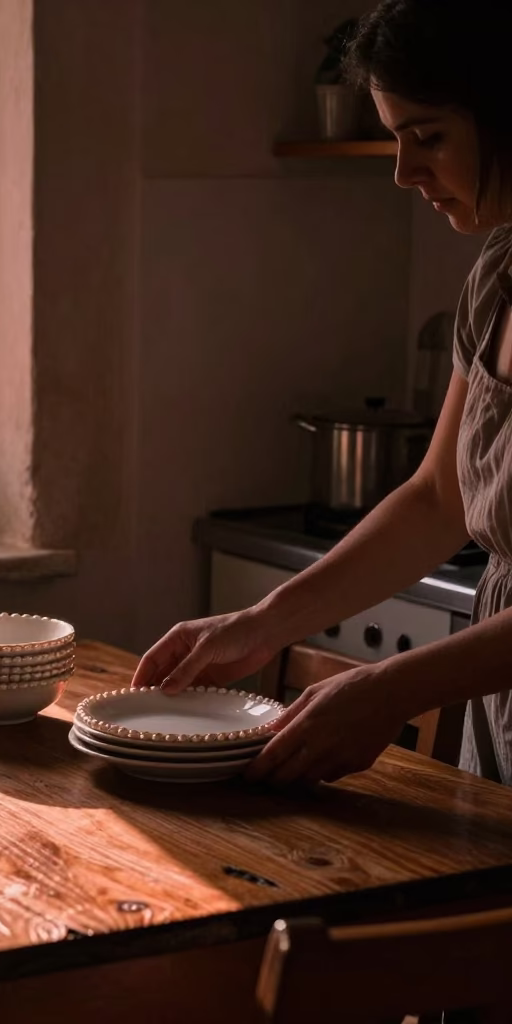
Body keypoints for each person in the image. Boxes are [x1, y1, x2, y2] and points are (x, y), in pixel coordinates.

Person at [131, 0, 512, 789]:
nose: (405, 173)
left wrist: (388, 689)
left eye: (430, 139)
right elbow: (438, 497)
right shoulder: (496, 283)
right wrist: (261, 625)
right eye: (396, 141)